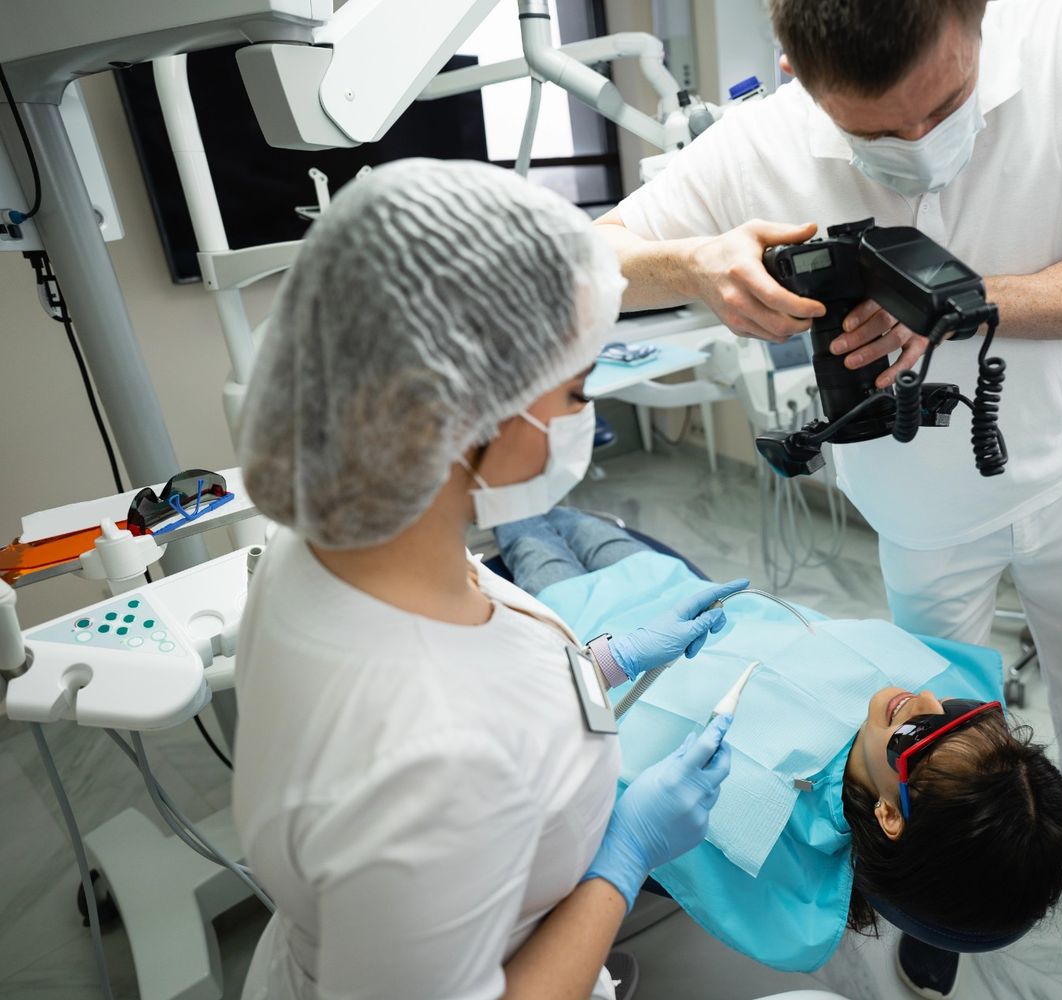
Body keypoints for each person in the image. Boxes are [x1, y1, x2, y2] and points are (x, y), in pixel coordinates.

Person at [594, 0, 1062, 994]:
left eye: (945, 103)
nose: (919, 142)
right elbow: (589, 256)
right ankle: (954, 878)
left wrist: (954, 303)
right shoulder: (759, 140)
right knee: (949, 716)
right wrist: (691, 264)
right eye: (873, 129)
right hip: (918, 510)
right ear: (797, 70)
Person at [231, 158, 761, 1000]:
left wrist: (602, 663)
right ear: (460, 412)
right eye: (579, 388)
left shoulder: (336, 539)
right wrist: (621, 859)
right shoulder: (421, 765)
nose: (588, 416)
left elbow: (474, 673)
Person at [494, 510, 1062, 974]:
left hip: (576, 623)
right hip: (677, 591)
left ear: (891, 819)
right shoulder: (926, 712)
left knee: (523, 519)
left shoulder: (769, 848)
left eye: (920, 733)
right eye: (953, 714)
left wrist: (606, 660)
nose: (921, 700)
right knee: (578, 518)